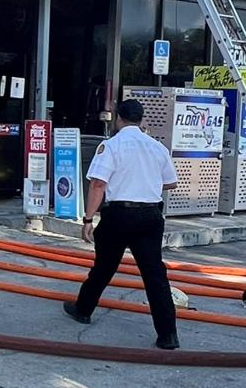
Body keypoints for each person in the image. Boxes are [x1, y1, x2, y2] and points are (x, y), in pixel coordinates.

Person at [62, 99, 180, 350]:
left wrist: (88, 218)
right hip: (150, 216)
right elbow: (171, 182)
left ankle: (83, 309)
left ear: (119, 118)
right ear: (142, 119)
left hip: (119, 215)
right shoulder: (157, 147)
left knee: (104, 267)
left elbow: (98, 184)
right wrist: (145, 183)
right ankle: (168, 334)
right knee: (155, 275)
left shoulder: (111, 146)